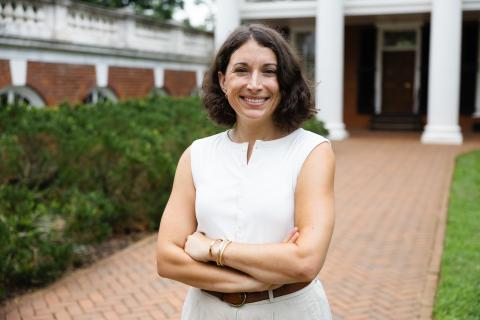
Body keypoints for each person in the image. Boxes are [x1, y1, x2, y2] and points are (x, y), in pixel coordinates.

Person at [156, 24, 335, 319]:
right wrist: (256, 280)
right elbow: (167, 259)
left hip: (289, 311)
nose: (255, 84)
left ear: (285, 81)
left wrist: (213, 248)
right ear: (223, 80)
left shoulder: (312, 152)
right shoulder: (197, 154)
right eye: (242, 70)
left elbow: (305, 261)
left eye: (268, 71)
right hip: (206, 312)